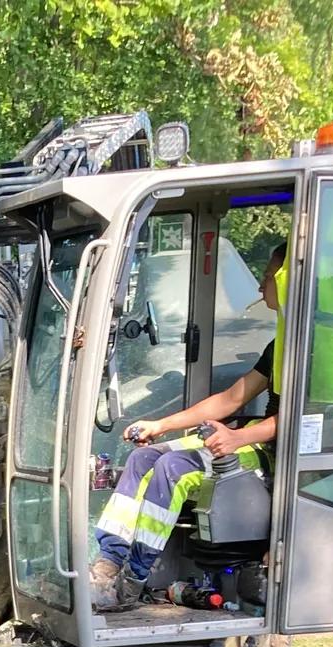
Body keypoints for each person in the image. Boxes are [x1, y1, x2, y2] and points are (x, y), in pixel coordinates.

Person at [90, 243, 285, 611]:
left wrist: (237, 437)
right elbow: (230, 400)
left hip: (277, 454)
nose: (260, 285)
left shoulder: (312, 349)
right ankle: (107, 564)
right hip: (252, 437)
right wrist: (160, 425)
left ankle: (133, 580)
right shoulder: (279, 346)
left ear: (287, 280)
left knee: (174, 468)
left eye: (267, 276)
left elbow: (303, 422)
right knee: (143, 458)